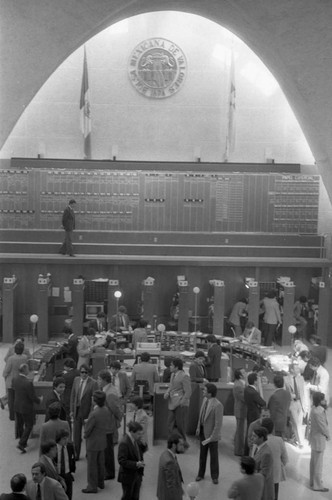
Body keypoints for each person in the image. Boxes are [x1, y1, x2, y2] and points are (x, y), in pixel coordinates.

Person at [97, 369, 123, 480]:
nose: (98, 381)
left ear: (104, 380)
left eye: (99, 379)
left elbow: (116, 410)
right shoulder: (105, 390)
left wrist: (117, 422)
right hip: (106, 423)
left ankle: (110, 472)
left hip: (108, 424)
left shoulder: (110, 393)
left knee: (108, 450)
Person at [195, 383, 223, 484]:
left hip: (212, 436)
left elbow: (218, 424)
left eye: (205, 390)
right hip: (203, 432)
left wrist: (212, 437)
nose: (203, 391)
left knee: (213, 456)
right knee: (202, 454)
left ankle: (214, 476)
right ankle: (200, 474)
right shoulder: (204, 400)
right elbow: (201, 415)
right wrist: (198, 427)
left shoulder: (218, 405)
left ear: (210, 393)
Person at [82, 390, 109, 494]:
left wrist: (85, 431)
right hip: (102, 440)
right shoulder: (105, 410)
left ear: (95, 400)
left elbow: (88, 430)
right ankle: (100, 482)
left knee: (92, 466)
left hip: (93, 442)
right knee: (100, 463)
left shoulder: (94, 413)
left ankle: (92, 486)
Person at [69, 364, 98, 460]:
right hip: (77, 412)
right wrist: (72, 410)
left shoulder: (93, 383)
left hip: (87, 413)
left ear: (88, 373)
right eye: (82, 372)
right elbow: (73, 395)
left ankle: (88, 453)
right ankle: (76, 454)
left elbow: (94, 401)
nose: (84, 374)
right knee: (76, 436)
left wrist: (90, 414)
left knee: (88, 435)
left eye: (86, 372)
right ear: (79, 372)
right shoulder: (76, 380)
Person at [13, 363, 41, 453]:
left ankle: (22, 439)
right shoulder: (28, 383)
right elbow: (32, 397)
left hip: (17, 405)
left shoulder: (15, 379)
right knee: (29, 425)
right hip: (26, 407)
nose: (29, 370)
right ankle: (21, 443)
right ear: (25, 370)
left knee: (20, 424)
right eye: (28, 369)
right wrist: (39, 400)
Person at [164, 358, 192, 450]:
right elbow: (171, 386)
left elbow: (188, 392)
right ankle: (173, 444)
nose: (170, 367)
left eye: (171, 365)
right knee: (169, 424)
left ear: (176, 367)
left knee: (180, 426)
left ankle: (183, 445)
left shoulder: (184, 376)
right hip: (172, 403)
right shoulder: (173, 375)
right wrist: (167, 392)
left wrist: (182, 402)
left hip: (181, 405)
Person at [117, 421, 148, 500]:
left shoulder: (136, 439)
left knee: (136, 496)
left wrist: (144, 444)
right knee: (127, 497)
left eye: (141, 433)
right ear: (131, 432)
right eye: (138, 434)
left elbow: (140, 451)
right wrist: (136, 464)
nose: (140, 436)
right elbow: (122, 461)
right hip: (128, 476)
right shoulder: (124, 443)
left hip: (137, 474)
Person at [261, 418, 288, 500]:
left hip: (262, 475)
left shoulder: (259, 440)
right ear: (273, 428)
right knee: (274, 496)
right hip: (275, 474)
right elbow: (285, 458)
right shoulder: (279, 440)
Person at [308, 391, 330, 492]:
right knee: (318, 464)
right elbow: (323, 426)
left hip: (314, 438)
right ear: (319, 400)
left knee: (314, 462)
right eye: (323, 399)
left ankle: (312, 481)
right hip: (319, 439)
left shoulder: (314, 409)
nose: (325, 401)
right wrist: (328, 435)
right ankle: (317, 485)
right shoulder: (319, 411)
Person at [3, 342, 28, 420]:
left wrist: (4, 375)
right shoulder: (25, 357)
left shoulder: (11, 359)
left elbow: (7, 370)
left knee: (11, 399)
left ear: (15, 350)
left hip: (11, 381)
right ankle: (19, 415)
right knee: (19, 398)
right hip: (21, 380)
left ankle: (12, 416)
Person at [157, 432, 184, 500]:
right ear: (174, 445)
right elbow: (171, 485)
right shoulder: (170, 462)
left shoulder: (165, 454)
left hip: (163, 493)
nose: (182, 447)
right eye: (180, 445)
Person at [244, 372, 266, 455]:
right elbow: (263, 403)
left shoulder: (246, 389)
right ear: (255, 381)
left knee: (248, 433)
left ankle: (246, 452)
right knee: (254, 434)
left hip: (249, 412)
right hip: (255, 414)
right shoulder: (254, 392)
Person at [252, 426, 274, 500]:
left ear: (261, 438)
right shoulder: (256, 447)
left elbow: (264, 474)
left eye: (254, 436)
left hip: (263, 490)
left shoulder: (266, 453)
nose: (252, 438)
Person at [267, 374, 291, 438]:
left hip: (276, 423)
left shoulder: (274, 396)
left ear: (274, 384)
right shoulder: (288, 393)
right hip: (284, 420)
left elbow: (272, 412)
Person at [55, 429, 76, 500]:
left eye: (67, 438)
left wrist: (72, 472)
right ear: (58, 439)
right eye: (64, 439)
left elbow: (72, 459)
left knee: (69, 495)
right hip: (58, 475)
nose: (66, 440)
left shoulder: (69, 446)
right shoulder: (54, 448)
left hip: (67, 474)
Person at [61, 358, 79, 428]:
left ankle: (69, 433)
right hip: (78, 397)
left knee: (68, 417)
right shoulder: (79, 372)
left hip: (68, 398)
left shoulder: (65, 376)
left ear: (67, 367)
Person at [233, 368, 246, 456]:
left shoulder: (241, 383)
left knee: (240, 430)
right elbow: (243, 398)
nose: (246, 373)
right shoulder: (238, 385)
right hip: (240, 410)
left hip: (241, 409)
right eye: (244, 372)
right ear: (240, 375)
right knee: (240, 431)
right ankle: (238, 451)